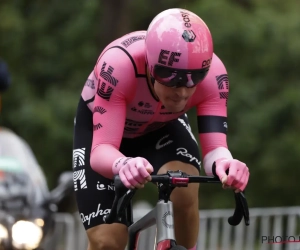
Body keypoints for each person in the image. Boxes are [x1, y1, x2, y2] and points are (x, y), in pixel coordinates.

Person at [73, 8, 250, 250]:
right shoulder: (118, 66)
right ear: (150, 66)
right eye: (173, 79)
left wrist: (227, 165)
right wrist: (123, 163)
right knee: (108, 241)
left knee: (184, 189)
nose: (183, 92)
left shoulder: (215, 77)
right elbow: (102, 149)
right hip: (104, 136)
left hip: (160, 128)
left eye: (194, 78)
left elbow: (216, 150)